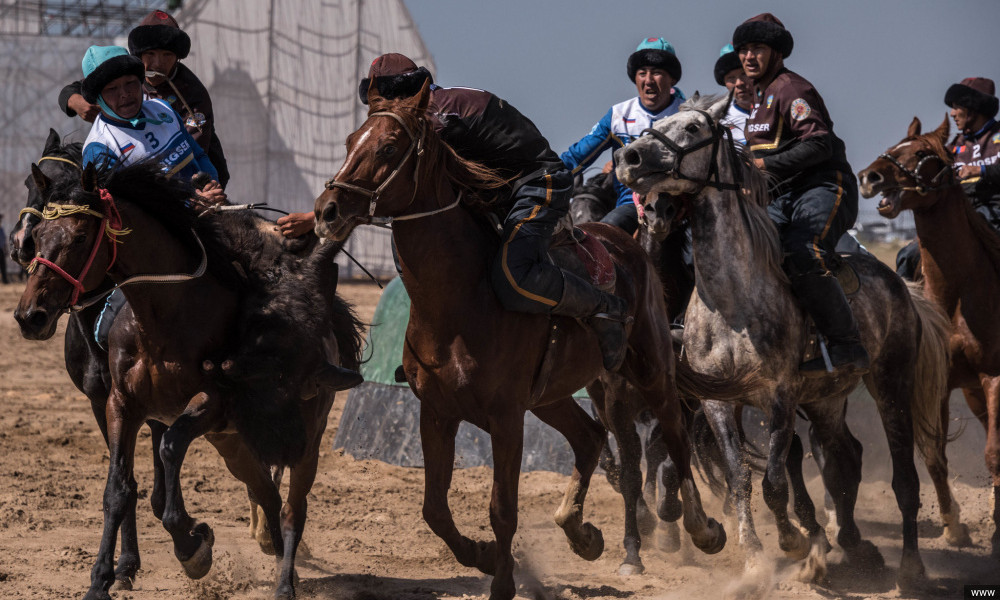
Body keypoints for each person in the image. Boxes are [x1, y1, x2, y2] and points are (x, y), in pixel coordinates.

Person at [356, 53, 630, 370]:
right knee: (406, 234)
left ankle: (604, 308)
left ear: (404, 95)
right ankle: (437, 343)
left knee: (515, 279)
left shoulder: (437, 117)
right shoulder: (425, 114)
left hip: (538, 182)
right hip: (493, 192)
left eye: (386, 101)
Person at [734, 13, 869, 376]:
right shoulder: (759, 100)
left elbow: (820, 144)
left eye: (757, 48)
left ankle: (846, 345)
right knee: (749, 251)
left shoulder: (791, 88)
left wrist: (764, 167)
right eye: (743, 50)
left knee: (801, 249)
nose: (748, 57)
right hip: (784, 196)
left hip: (825, 187)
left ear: (777, 52)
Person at [58, 10, 230, 188]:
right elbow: (80, 87)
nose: (158, 63)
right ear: (138, 55)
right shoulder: (123, 72)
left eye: (167, 55)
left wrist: (203, 192)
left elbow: (189, 154)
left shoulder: (191, 95)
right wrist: (74, 101)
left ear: (178, 58)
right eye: (150, 54)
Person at [561, 38, 685, 235]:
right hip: (631, 207)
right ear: (635, 78)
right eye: (642, 73)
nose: (649, 80)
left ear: (672, 79)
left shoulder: (686, 115)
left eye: (657, 72)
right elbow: (577, 157)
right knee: (597, 241)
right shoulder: (618, 115)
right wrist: (542, 178)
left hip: (681, 208)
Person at [896, 77, 1000, 279]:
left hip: (996, 214)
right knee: (908, 255)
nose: (952, 113)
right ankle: (904, 306)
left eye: (957, 107)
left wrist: (980, 171)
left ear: (973, 108)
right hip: (960, 217)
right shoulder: (955, 144)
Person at [715, 44, 753, 145]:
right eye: (731, 78)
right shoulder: (720, 120)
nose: (739, 83)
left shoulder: (774, 107)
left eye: (744, 74)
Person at [0, 215, 8, 284]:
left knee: (3, 266)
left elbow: (4, 240)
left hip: (1, 250)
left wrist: (5, 249)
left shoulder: (1, 229)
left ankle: (5, 280)